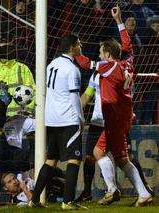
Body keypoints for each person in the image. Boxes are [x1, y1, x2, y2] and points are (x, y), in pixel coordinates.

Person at [75, 6, 152, 207]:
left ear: (108, 54)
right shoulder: (127, 63)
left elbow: (85, 63)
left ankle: (112, 189)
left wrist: (74, 52)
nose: (100, 56)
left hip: (114, 117)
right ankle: (143, 193)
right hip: (125, 116)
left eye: (101, 53)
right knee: (120, 158)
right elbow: (127, 45)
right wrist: (118, 20)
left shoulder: (108, 66)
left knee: (98, 153)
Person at [75, 71, 154, 203]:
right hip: (98, 121)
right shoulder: (97, 74)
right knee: (90, 157)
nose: (100, 58)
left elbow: (128, 95)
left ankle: (140, 188)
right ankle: (88, 193)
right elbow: (87, 95)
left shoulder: (121, 73)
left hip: (113, 120)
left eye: (101, 53)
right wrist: (76, 111)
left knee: (125, 157)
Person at [29, 34, 86, 210]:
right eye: (78, 43)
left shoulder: (51, 65)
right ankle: (68, 201)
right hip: (68, 118)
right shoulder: (72, 69)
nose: (81, 45)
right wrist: (81, 118)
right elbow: (74, 97)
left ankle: (34, 199)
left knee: (51, 159)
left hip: (52, 119)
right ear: (71, 47)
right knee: (74, 159)